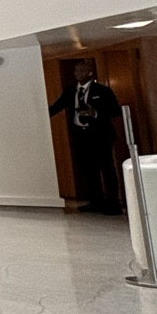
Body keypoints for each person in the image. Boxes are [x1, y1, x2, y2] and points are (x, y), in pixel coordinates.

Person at [49, 60, 123, 213]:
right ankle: (96, 200)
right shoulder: (70, 91)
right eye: (76, 71)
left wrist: (94, 112)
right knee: (88, 169)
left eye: (82, 71)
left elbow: (115, 110)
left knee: (106, 168)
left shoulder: (102, 91)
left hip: (100, 135)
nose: (78, 74)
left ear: (89, 73)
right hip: (81, 135)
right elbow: (57, 106)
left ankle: (113, 203)